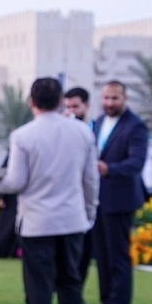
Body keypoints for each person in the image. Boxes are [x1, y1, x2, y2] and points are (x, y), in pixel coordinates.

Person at [0, 77, 98, 304]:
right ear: (61, 101)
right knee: (71, 281)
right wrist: (89, 212)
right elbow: (90, 179)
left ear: (31, 102)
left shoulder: (23, 136)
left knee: (39, 286)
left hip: (37, 221)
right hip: (72, 219)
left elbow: (16, 182)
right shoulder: (82, 132)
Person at [86, 80, 148, 304]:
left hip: (120, 200)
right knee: (101, 255)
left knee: (118, 255)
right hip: (99, 199)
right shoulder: (98, 123)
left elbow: (136, 163)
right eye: (106, 98)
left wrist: (109, 169)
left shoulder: (135, 126)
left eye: (114, 98)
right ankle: (106, 303)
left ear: (124, 99)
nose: (109, 103)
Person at [62, 86, 95, 283]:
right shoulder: (62, 131)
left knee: (84, 255)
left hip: (90, 201)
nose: (71, 112)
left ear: (86, 106)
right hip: (68, 203)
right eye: (67, 107)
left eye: (75, 107)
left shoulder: (94, 129)